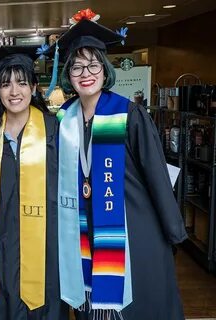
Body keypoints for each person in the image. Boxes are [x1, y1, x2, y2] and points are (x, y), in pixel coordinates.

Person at [47, 9, 187, 320]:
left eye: (93, 64)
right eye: (77, 67)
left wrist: (172, 232)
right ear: (68, 75)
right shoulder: (63, 119)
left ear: (105, 68)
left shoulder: (129, 115)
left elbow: (156, 175)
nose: (86, 72)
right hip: (81, 231)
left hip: (130, 228)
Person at [0, 45, 69, 320]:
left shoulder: (56, 130)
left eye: (21, 83)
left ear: (33, 86)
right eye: (5, 84)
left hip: (45, 240)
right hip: (0, 241)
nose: (14, 92)